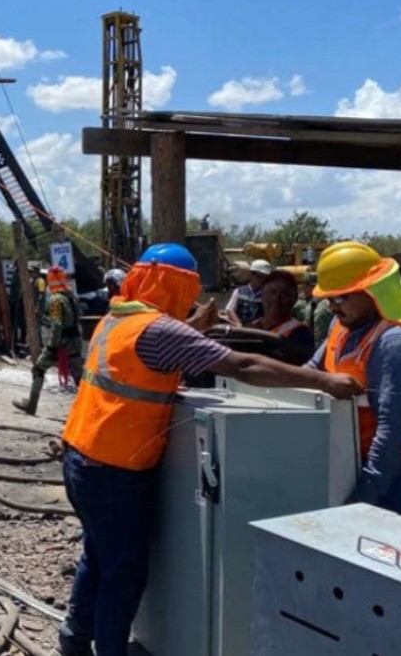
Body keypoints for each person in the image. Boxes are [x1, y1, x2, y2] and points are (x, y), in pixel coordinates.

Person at [57, 243, 361, 656]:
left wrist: (192, 329)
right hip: (114, 471)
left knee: (99, 553)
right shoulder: (160, 330)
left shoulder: (117, 318)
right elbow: (242, 366)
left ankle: (73, 641)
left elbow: (153, 359)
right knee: (123, 573)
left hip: (81, 455)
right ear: (177, 286)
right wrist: (324, 382)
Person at [309, 241, 401, 515]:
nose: (331, 306)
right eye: (328, 298)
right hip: (344, 463)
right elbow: (310, 372)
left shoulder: (395, 344)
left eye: (340, 297)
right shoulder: (341, 327)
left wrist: (362, 499)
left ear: (371, 290)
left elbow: (394, 433)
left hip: (386, 480)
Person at [13, 266, 82, 415]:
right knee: (79, 376)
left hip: (61, 343)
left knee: (38, 368)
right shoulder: (72, 296)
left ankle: (31, 404)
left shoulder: (56, 299)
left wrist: (52, 347)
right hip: (75, 341)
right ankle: (87, 408)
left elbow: (56, 325)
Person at [249, 270, 314, 364]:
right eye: (272, 292)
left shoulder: (301, 334)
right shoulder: (251, 327)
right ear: (262, 294)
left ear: (294, 299)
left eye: (284, 294)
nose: (276, 299)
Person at [224, 258, 272, 325]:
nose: (262, 280)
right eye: (259, 276)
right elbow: (230, 310)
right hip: (239, 329)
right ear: (251, 275)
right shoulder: (239, 291)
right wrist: (239, 324)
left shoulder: (269, 295)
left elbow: (270, 313)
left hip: (260, 331)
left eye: (265, 277)